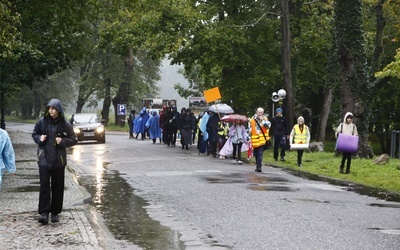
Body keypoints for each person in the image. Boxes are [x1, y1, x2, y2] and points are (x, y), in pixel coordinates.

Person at [32, 99, 77, 225]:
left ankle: (55, 213)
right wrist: (40, 139)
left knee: (58, 187)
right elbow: (34, 134)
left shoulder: (65, 124)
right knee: (44, 186)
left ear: (58, 110)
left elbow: (74, 139)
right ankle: (44, 213)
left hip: (59, 160)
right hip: (44, 159)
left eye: (53, 108)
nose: (51, 110)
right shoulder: (42, 122)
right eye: (49, 108)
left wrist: (62, 142)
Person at [249, 108, 271, 172]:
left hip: (262, 139)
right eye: (259, 112)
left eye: (261, 112)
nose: (260, 113)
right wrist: (249, 135)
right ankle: (257, 165)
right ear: (257, 112)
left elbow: (268, 127)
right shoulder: (253, 119)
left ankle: (259, 167)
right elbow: (250, 128)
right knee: (256, 154)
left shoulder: (265, 119)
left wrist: (263, 121)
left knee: (260, 153)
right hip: (255, 140)